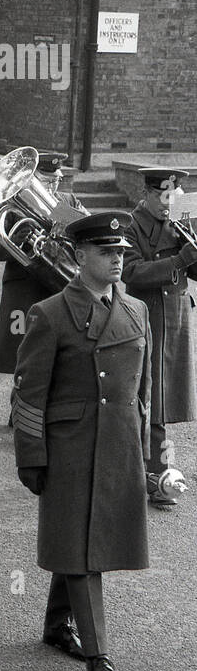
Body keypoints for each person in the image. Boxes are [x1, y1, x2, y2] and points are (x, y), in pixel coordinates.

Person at [13, 211, 153, 671]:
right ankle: (98, 653)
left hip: (118, 444)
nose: (116, 260)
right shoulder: (50, 313)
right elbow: (29, 392)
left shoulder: (136, 310)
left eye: (120, 253)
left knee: (79, 541)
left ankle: (56, 626)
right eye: (105, 252)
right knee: (82, 548)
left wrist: (147, 448)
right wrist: (31, 454)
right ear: (79, 257)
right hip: (70, 447)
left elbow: (142, 390)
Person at [123, 168, 197, 510]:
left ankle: (155, 472)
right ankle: (156, 475)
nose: (168, 205)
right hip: (148, 317)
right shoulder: (132, 225)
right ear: (149, 193)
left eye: (173, 198)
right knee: (148, 399)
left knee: (164, 402)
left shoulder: (177, 223)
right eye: (163, 198)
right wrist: (178, 259)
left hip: (176, 317)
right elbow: (131, 271)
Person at [0, 152, 85, 389]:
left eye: (56, 179)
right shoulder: (11, 204)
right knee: (23, 349)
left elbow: (88, 236)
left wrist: (69, 229)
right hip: (24, 289)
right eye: (46, 180)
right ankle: (21, 408)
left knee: (59, 348)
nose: (53, 185)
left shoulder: (67, 202)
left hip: (60, 285)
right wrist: (14, 241)